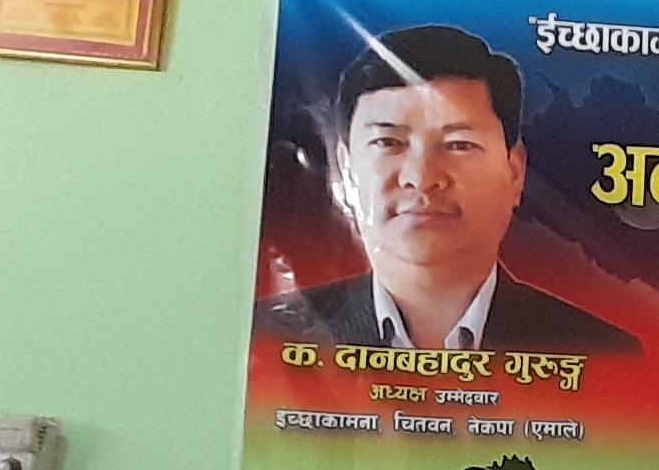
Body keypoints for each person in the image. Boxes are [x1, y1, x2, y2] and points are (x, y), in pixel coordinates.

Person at [265, 24, 639, 353]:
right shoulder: (272, 340)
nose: (421, 178)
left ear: (514, 172)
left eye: (459, 144)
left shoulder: (599, 353)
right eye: (389, 143)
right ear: (345, 169)